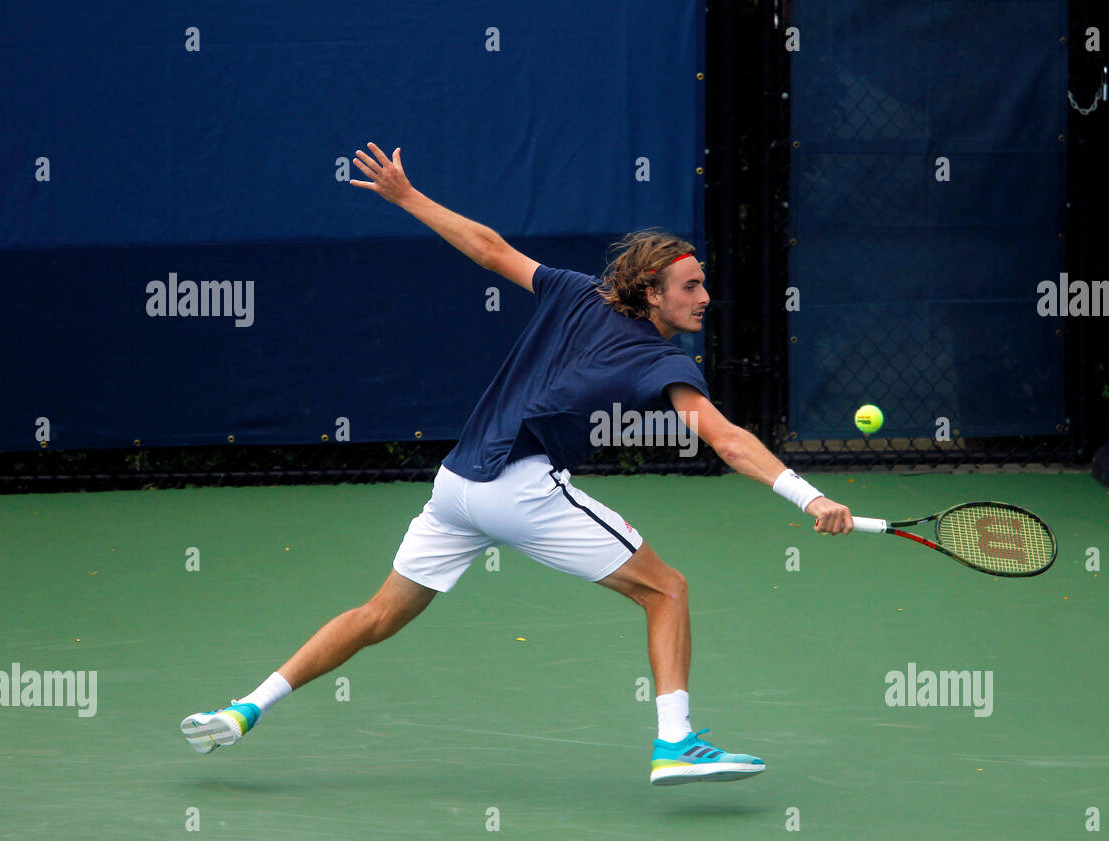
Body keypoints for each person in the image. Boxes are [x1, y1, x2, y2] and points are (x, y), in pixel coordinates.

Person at [181, 142, 854, 785]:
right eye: (691, 285)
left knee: (378, 616)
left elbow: (489, 249)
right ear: (652, 291)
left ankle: (244, 709)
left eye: (703, 285)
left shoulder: (572, 290)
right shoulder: (664, 360)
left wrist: (407, 195)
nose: (705, 297)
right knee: (667, 589)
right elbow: (728, 440)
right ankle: (676, 743)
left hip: (454, 486)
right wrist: (808, 497)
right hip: (519, 486)